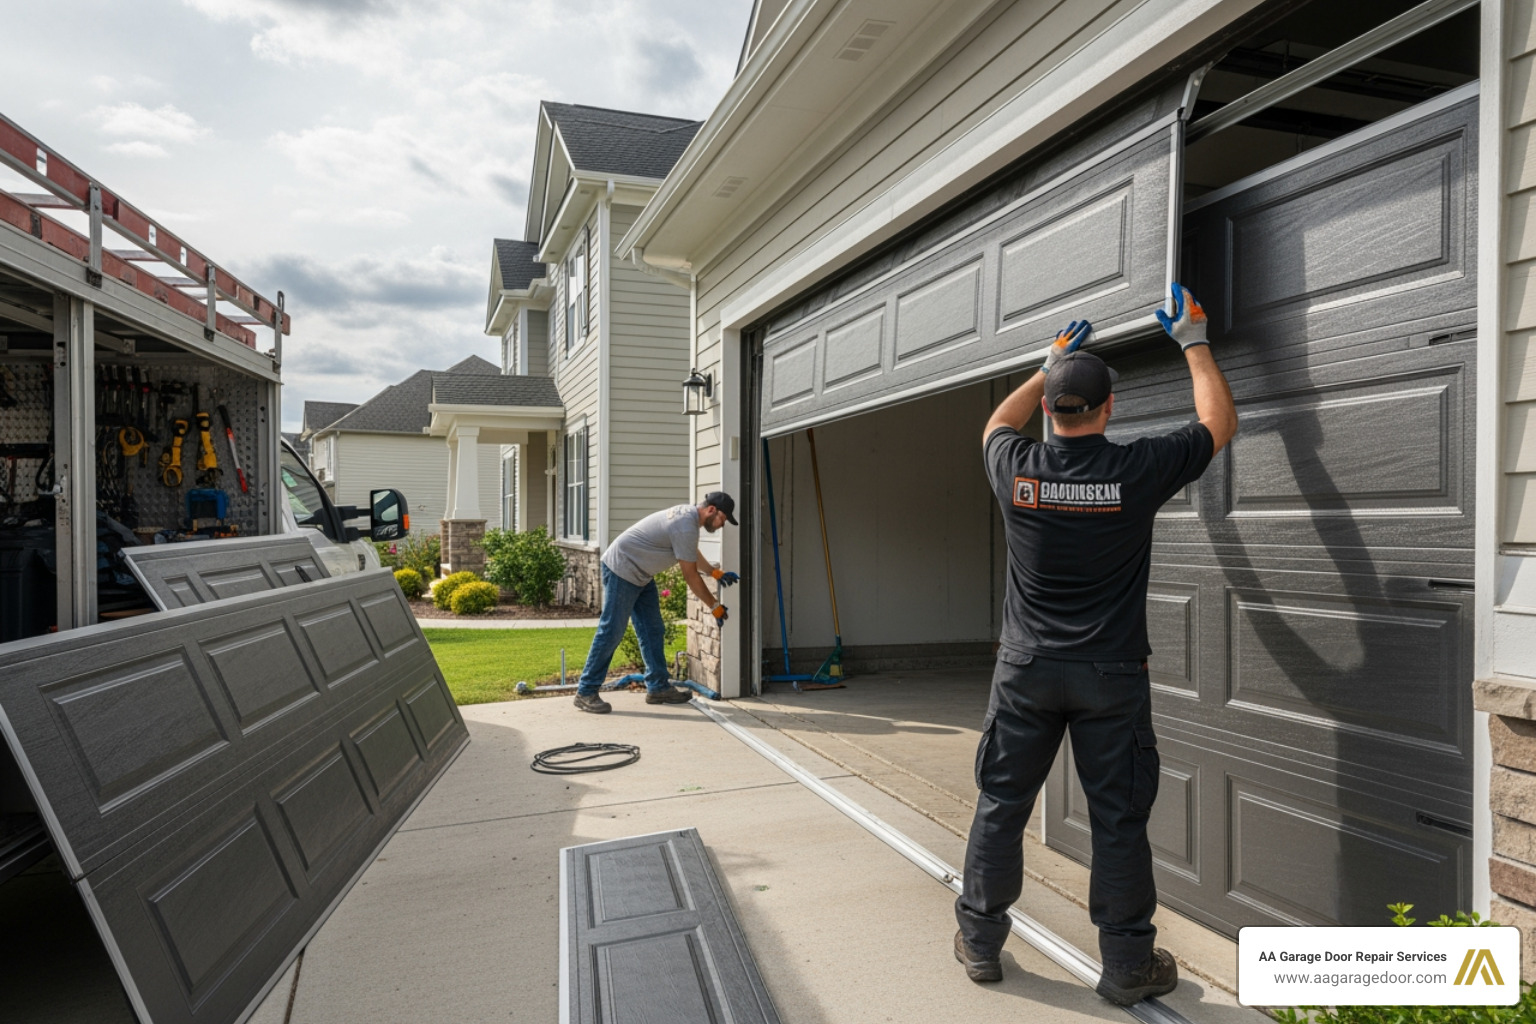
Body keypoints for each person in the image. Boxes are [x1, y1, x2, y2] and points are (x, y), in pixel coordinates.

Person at [953, 284, 1238, 1006]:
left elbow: (995, 420)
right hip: (1110, 675)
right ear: (1110, 408)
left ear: (1051, 410)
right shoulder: (1135, 470)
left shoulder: (1017, 467)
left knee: (1001, 806)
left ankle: (981, 942)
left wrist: (1046, 366)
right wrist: (1194, 340)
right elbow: (1218, 422)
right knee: (1118, 819)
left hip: (1026, 672)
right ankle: (1126, 966)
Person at [573, 492, 740, 714]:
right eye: (723, 519)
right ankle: (586, 691)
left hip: (641, 574)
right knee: (611, 630)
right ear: (711, 510)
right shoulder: (685, 523)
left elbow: (690, 553)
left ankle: (658, 687)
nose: (721, 525)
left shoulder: (689, 521)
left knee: (652, 629)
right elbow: (690, 575)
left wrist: (714, 572)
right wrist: (714, 606)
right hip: (622, 569)